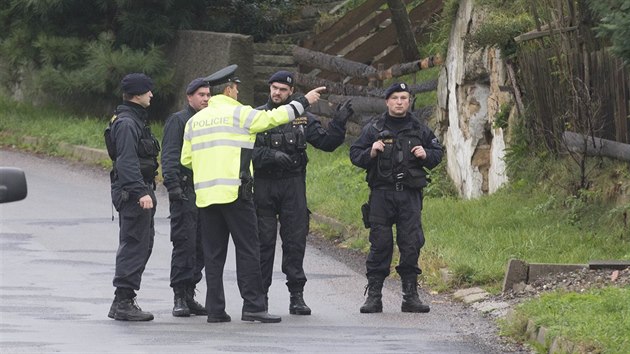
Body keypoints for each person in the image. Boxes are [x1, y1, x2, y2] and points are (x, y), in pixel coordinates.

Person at [180, 64, 326, 324]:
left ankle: (215, 310)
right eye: (236, 88)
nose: (238, 93)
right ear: (229, 89)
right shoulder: (240, 114)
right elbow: (274, 118)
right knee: (249, 250)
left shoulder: (194, 121)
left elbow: (187, 159)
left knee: (213, 256)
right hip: (236, 194)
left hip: (206, 197)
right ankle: (254, 307)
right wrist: (304, 101)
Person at [252, 71, 353, 315]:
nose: (277, 93)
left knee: (295, 242)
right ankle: (259, 296)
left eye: (283, 90)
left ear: (291, 92)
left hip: (292, 185)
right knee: (262, 244)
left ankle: (296, 296)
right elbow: (243, 152)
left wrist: (339, 123)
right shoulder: (255, 116)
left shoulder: (302, 117)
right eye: (274, 88)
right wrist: (270, 155)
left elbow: (326, 143)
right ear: (269, 88)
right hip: (264, 185)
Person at [349, 82, 443, 314]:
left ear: (409, 101)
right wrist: (371, 151)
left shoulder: (419, 128)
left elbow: (437, 153)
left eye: (404, 98)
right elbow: (355, 154)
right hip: (381, 194)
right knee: (380, 245)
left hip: (409, 195)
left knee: (411, 244)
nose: (400, 102)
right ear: (387, 102)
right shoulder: (374, 128)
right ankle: (374, 297)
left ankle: (410, 297)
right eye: (395, 98)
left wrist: (426, 154)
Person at [107, 73, 161, 321]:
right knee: (135, 243)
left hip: (135, 189)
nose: (151, 94)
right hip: (133, 192)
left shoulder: (133, 119)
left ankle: (124, 299)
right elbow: (127, 162)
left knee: (142, 243)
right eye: (148, 90)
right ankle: (123, 302)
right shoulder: (128, 123)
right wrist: (140, 192)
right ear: (137, 94)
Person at [161, 77, 212, 317]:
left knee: (203, 243)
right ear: (189, 97)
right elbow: (170, 155)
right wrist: (173, 187)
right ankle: (179, 295)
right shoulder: (178, 121)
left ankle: (190, 293)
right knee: (184, 244)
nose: (205, 99)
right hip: (185, 190)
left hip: (206, 190)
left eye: (208, 95)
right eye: (201, 95)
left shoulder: (209, 121)